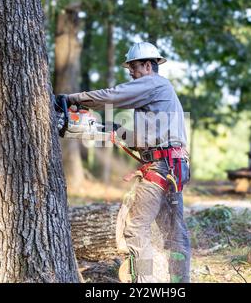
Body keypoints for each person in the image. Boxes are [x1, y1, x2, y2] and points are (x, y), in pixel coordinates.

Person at [57, 42, 191, 283]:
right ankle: (180, 283)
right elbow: (148, 136)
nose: (131, 71)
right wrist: (116, 130)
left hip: (161, 168)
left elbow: (113, 95)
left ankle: (146, 284)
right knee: (174, 233)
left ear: (148, 65)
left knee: (136, 229)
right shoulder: (161, 91)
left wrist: (72, 99)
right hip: (173, 166)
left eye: (134, 67)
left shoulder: (153, 83)